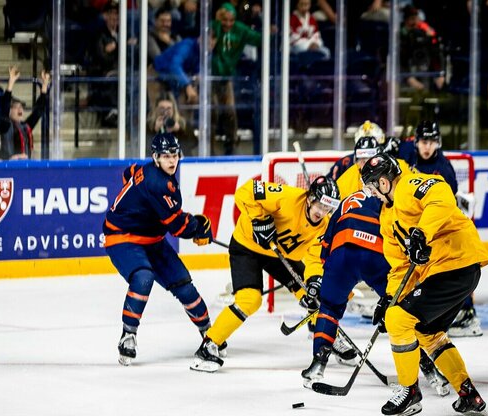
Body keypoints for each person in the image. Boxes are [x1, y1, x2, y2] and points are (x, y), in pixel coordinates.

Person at [360, 153, 488, 416]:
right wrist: (388, 298)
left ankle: (410, 392)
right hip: (449, 271)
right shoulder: (387, 218)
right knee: (427, 332)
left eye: (373, 186)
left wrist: (422, 233)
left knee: (399, 320)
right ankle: (468, 395)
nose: (372, 193)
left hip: (456, 261)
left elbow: (442, 195)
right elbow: (399, 268)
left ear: (384, 183)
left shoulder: (409, 185)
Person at [302, 188, 450, 396]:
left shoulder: (347, 200)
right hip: (375, 254)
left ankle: (317, 365)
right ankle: (431, 371)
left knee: (329, 308)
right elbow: (397, 236)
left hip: (341, 253)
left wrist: (331, 282)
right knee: (401, 311)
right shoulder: (387, 198)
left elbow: (326, 244)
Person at [191, 176, 340, 373]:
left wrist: (314, 280)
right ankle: (209, 345)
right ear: (311, 198)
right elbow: (245, 191)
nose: (322, 212)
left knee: (314, 296)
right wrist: (259, 220)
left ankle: (329, 341)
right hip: (247, 246)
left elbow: (315, 257)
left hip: (279, 255)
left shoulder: (324, 226)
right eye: (320, 205)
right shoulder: (287, 198)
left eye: (328, 208)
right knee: (249, 300)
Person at [103, 133, 215, 366]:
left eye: (174, 155)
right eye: (166, 156)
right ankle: (128, 336)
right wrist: (198, 227)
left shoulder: (146, 170)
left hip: (151, 238)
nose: (172, 160)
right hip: (122, 237)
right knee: (143, 277)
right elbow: (177, 226)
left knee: (184, 285)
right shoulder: (158, 183)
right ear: (156, 158)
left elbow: (128, 173)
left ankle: (210, 335)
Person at [399, 120, 481, 337]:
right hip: (419, 226)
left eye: (432, 141)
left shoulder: (444, 169)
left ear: (438, 143)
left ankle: (466, 310)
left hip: (439, 227)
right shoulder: (407, 152)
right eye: (424, 141)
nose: (427, 146)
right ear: (416, 142)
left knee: (451, 265)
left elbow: (446, 207)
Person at [211, 2, 262, 155]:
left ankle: (231, 143)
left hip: (227, 78)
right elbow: (209, 40)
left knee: (230, 112)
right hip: (210, 77)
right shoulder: (213, 26)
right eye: (224, 20)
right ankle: (210, 146)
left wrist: (266, 25)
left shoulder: (240, 29)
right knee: (212, 112)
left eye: (231, 20)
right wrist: (217, 23)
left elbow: (260, 39)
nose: (228, 23)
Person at [0, 66, 50, 160]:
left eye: (21, 107)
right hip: (10, 166)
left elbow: (38, 111)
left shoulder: (25, 126)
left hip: (25, 166)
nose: (20, 110)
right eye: (16, 108)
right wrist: (11, 82)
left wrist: (45, 85)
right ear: (9, 111)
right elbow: (5, 106)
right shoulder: (6, 125)